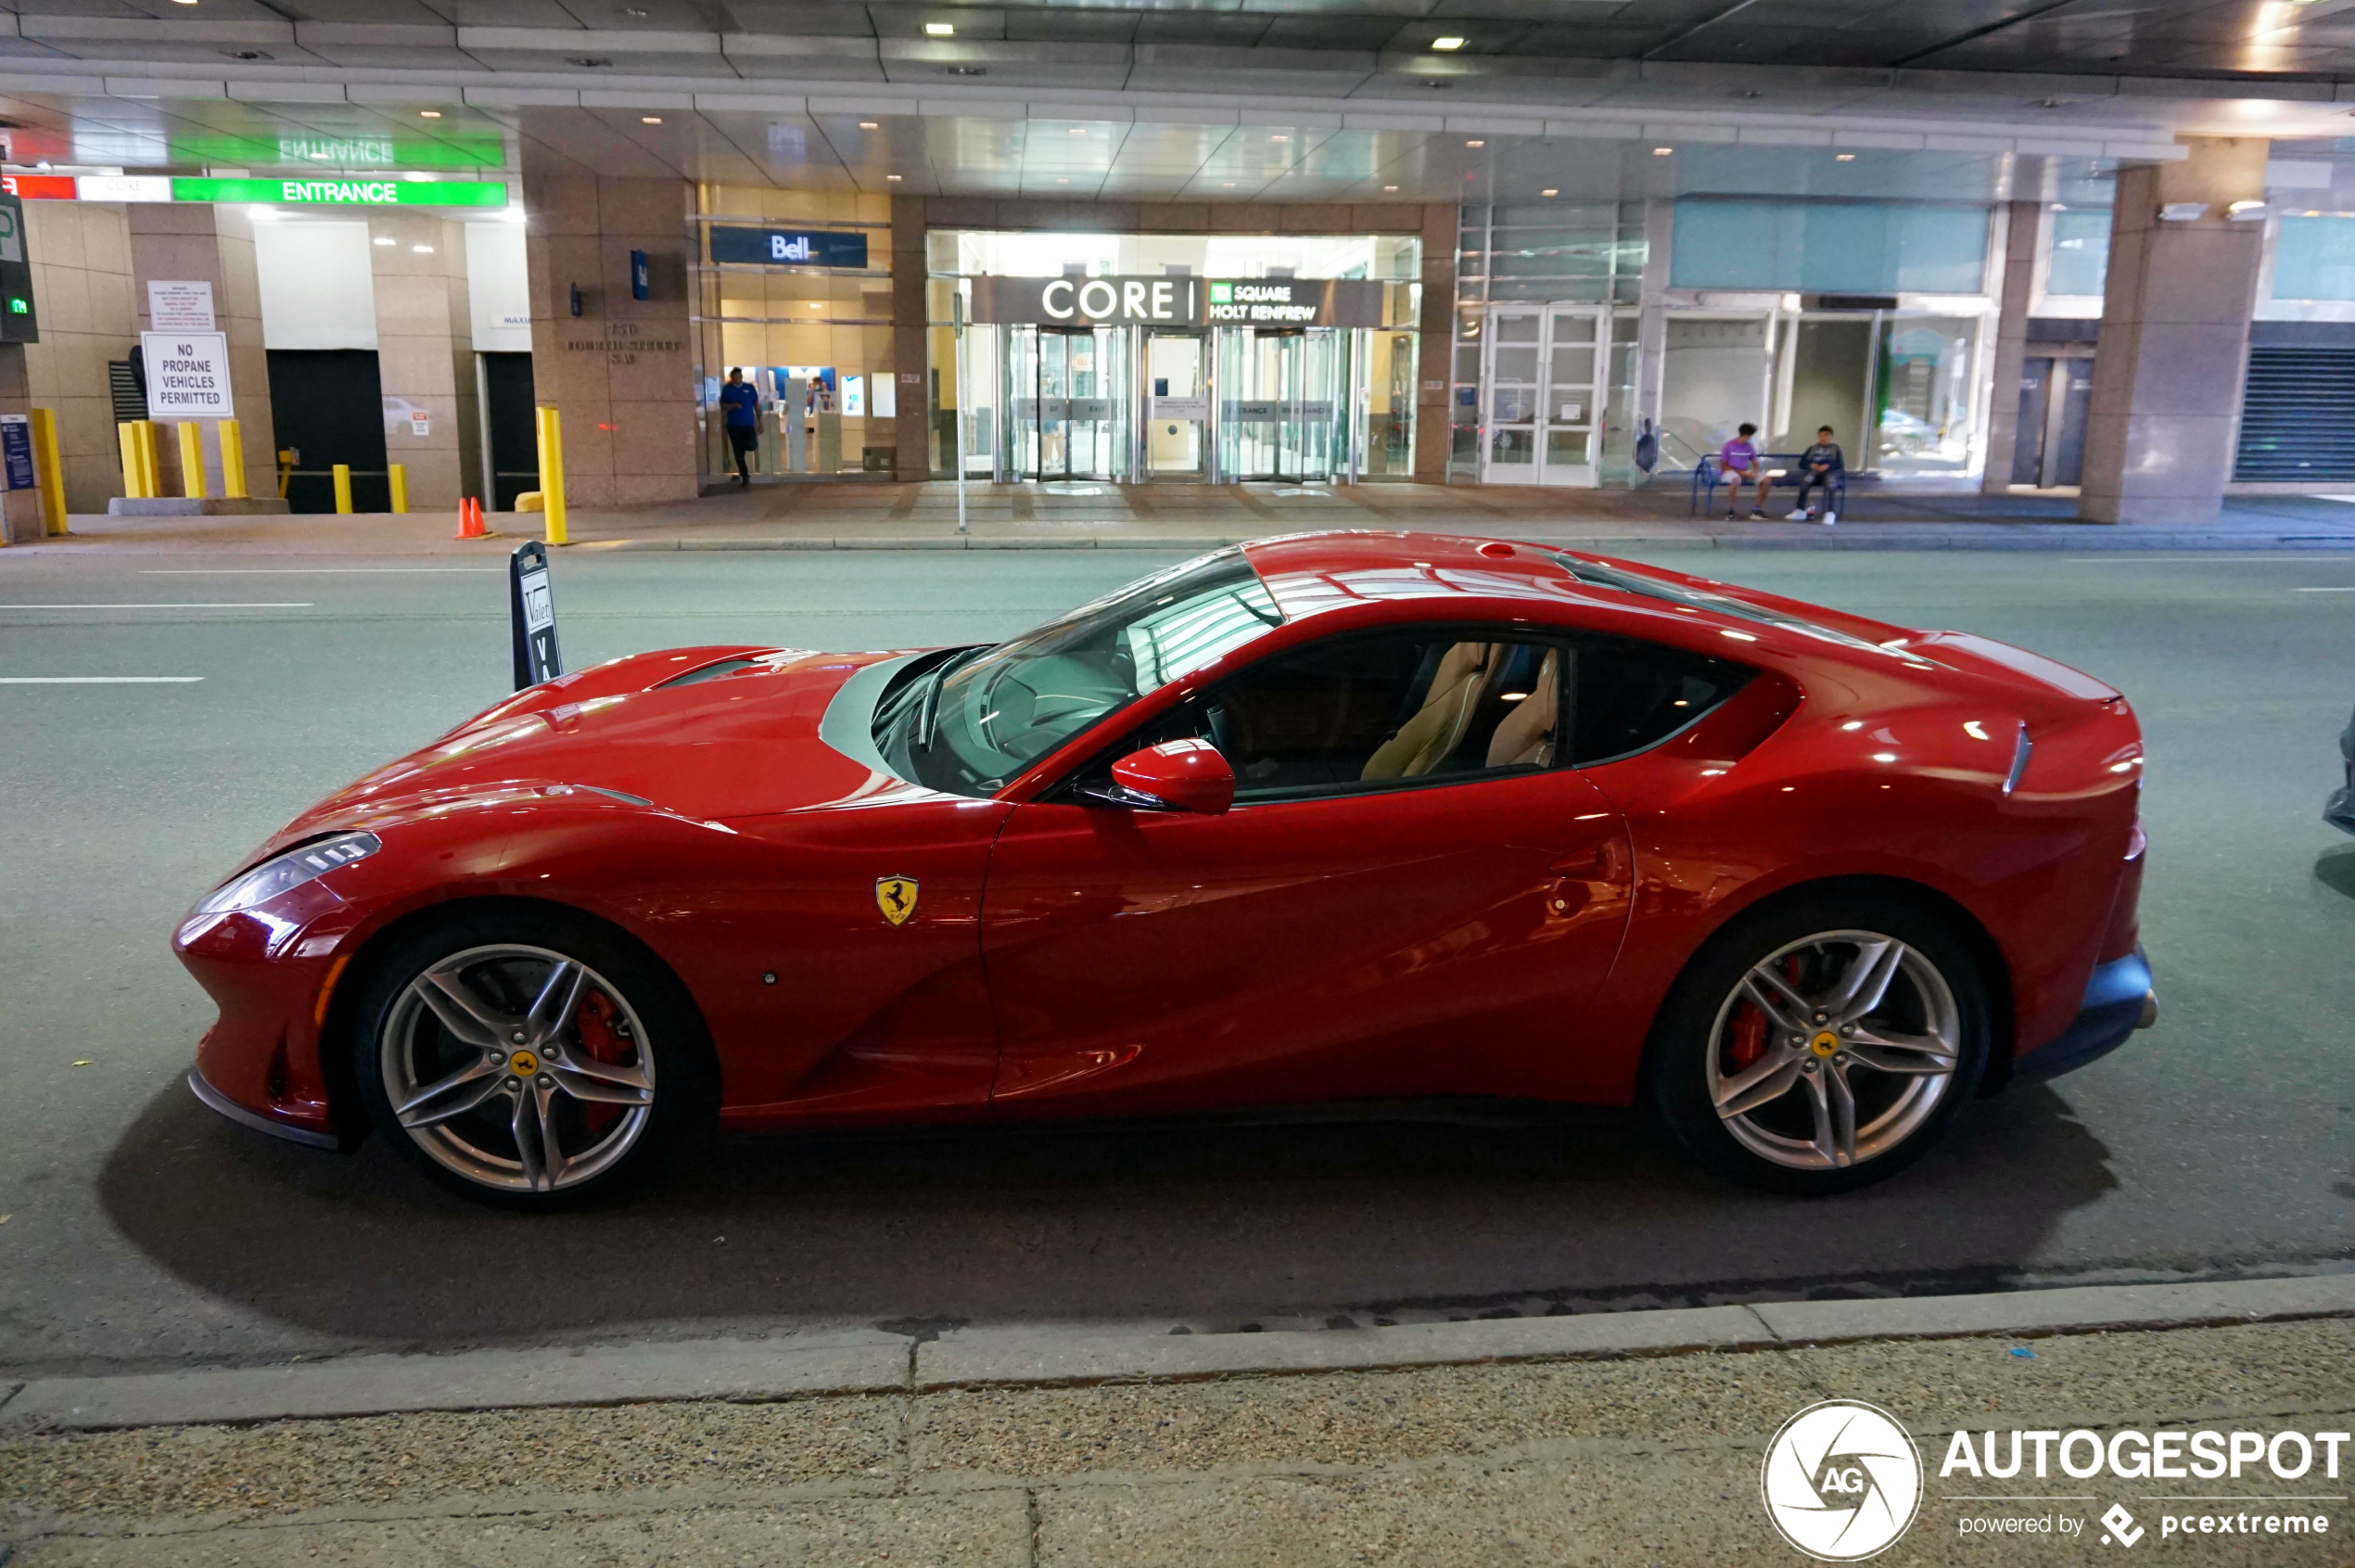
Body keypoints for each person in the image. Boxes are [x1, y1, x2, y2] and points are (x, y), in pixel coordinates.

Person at [1785, 426, 1844, 524]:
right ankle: (1800, 510)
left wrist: (1827, 466)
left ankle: (1830, 512)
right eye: (1821, 436)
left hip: (1829, 472)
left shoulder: (1835, 449)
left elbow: (1839, 464)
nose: (1823, 438)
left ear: (1831, 437)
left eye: (1826, 435)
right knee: (1805, 482)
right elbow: (1802, 463)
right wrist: (1812, 465)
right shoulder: (1812, 449)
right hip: (1815, 472)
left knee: (1830, 484)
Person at [718, 367, 762, 486]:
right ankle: (745, 475)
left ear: (741, 377)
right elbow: (723, 406)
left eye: (739, 377)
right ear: (731, 378)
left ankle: (743, 449)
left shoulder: (749, 388)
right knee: (738, 453)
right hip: (734, 425)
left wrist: (760, 421)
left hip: (748, 424)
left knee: (752, 445)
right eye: (734, 378)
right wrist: (733, 405)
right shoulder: (727, 389)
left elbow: (757, 406)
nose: (737, 380)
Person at [1718, 423, 1770, 519]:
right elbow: (1723, 465)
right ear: (1746, 436)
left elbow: (1755, 461)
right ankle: (1730, 510)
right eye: (1750, 436)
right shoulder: (1729, 446)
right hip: (1730, 471)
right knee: (1734, 480)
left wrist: (1754, 471)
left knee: (1766, 480)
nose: (1750, 438)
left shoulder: (1749, 446)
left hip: (1744, 471)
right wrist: (1739, 472)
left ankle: (1756, 510)